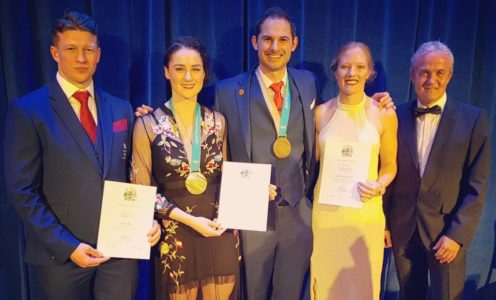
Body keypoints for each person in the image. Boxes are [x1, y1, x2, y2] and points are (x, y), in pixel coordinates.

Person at [3, 11, 160, 300]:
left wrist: (147, 218)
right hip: (60, 257)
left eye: (88, 50)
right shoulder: (28, 110)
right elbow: (22, 190)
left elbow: (133, 175)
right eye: (71, 50)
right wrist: (67, 246)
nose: (81, 58)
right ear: (54, 52)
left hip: (120, 254)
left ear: (98, 54)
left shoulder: (121, 108)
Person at [131, 36, 275, 300]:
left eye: (195, 69)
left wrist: (255, 191)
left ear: (204, 73)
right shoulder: (147, 125)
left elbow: (227, 179)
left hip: (218, 230)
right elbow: (141, 191)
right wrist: (189, 221)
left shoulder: (218, 122)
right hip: (175, 233)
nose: (188, 76)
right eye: (179, 68)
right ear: (166, 72)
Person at [383, 41, 490, 300]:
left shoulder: (474, 119)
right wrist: (385, 222)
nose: (431, 79)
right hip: (403, 229)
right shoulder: (394, 116)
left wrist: (456, 235)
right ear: (412, 75)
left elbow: (478, 185)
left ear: (450, 75)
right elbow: (386, 169)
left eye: (439, 72)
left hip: (446, 233)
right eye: (424, 72)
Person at [310, 42, 398, 300]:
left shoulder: (384, 113)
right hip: (326, 216)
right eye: (345, 66)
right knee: (325, 287)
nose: (352, 73)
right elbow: (313, 165)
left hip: (365, 217)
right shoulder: (320, 114)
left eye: (360, 67)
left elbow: (391, 165)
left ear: (369, 73)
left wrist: (380, 185)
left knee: (361, 290)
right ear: (335, 70)